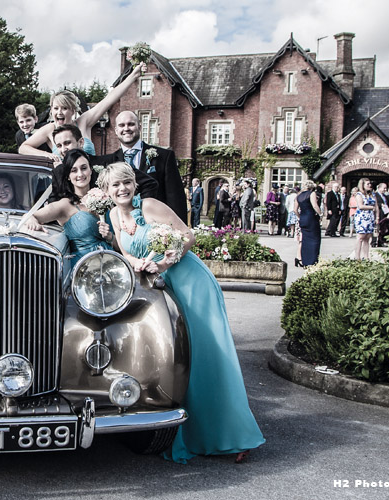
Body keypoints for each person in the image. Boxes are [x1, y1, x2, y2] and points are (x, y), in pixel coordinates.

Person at [99, 162, 264, 464]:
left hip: (189, 282)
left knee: (207, 355)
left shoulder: (150, 205)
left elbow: (188, 236)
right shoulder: (112, 215)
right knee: (176, 357)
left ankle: (234, 436)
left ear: (134, 184)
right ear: (106, 191)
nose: (122, 189)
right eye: (115, 185)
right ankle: (189, 432)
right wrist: (138, 263)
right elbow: (126, 253)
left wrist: (163, 262)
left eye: (126, 182)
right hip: (158, 287)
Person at [20, 63, 147, 162]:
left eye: (64, 108)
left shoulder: (83, 122)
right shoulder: (49, 129)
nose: (59, 112)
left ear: (73, 110)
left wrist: (133, 75)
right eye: (56, 108)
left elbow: (109, 99)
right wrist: (47, 155)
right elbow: (23, 148)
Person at [95, 110, 188, 221]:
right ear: (116, 130)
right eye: (121, 125)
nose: (126, 128)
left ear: (139, 127)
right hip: (123, 223)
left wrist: (179, 226)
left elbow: (175, 197)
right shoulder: (107, 162)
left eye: (131, 124)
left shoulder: (164, 156)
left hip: (157, 222)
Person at [23, 149, 114, 261]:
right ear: (68, 176)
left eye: (84, 168)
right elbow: (30, 216)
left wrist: (110, 237)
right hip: (84, 265)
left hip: (112, 261)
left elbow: (119, 241)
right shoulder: (65, 205)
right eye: (74, 170)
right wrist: (32, 221)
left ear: (91, 170)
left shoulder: (104, 198)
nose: (80, 174)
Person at [294, 180, 321, 267]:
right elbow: (315, 206)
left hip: (303, 218)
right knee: (315, 239)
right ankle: (312, 260)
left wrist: (300, 217)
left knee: (305, 240)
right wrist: (320, 214)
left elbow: (295, 210)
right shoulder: (311, 194)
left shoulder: (298, 196)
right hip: (311, 218)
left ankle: (305, 260)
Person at [352, 177, 376, 260]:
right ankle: (357, 257)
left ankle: (366, 257)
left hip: (370, 217)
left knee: (367, 238)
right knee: (360, 237)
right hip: (362, 217)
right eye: (367, 184)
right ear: (362, 185)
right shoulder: (359, 194)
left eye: (370, 183)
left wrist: (377, 216)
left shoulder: (371, 194)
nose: (370, 185)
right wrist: (371, 207)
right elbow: (361, 206)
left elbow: (376, 205)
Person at [373, 182, 389, 247]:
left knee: (382, 228)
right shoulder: (375, 195)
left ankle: (380, 242)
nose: (385, 189)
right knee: (376, 228)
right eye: (384, 188)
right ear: (379, 188)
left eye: (386, 188)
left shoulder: (385, 196)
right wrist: (380, 204)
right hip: (378, 213)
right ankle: (374, 242)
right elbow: (373, 204)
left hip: (384, 213)